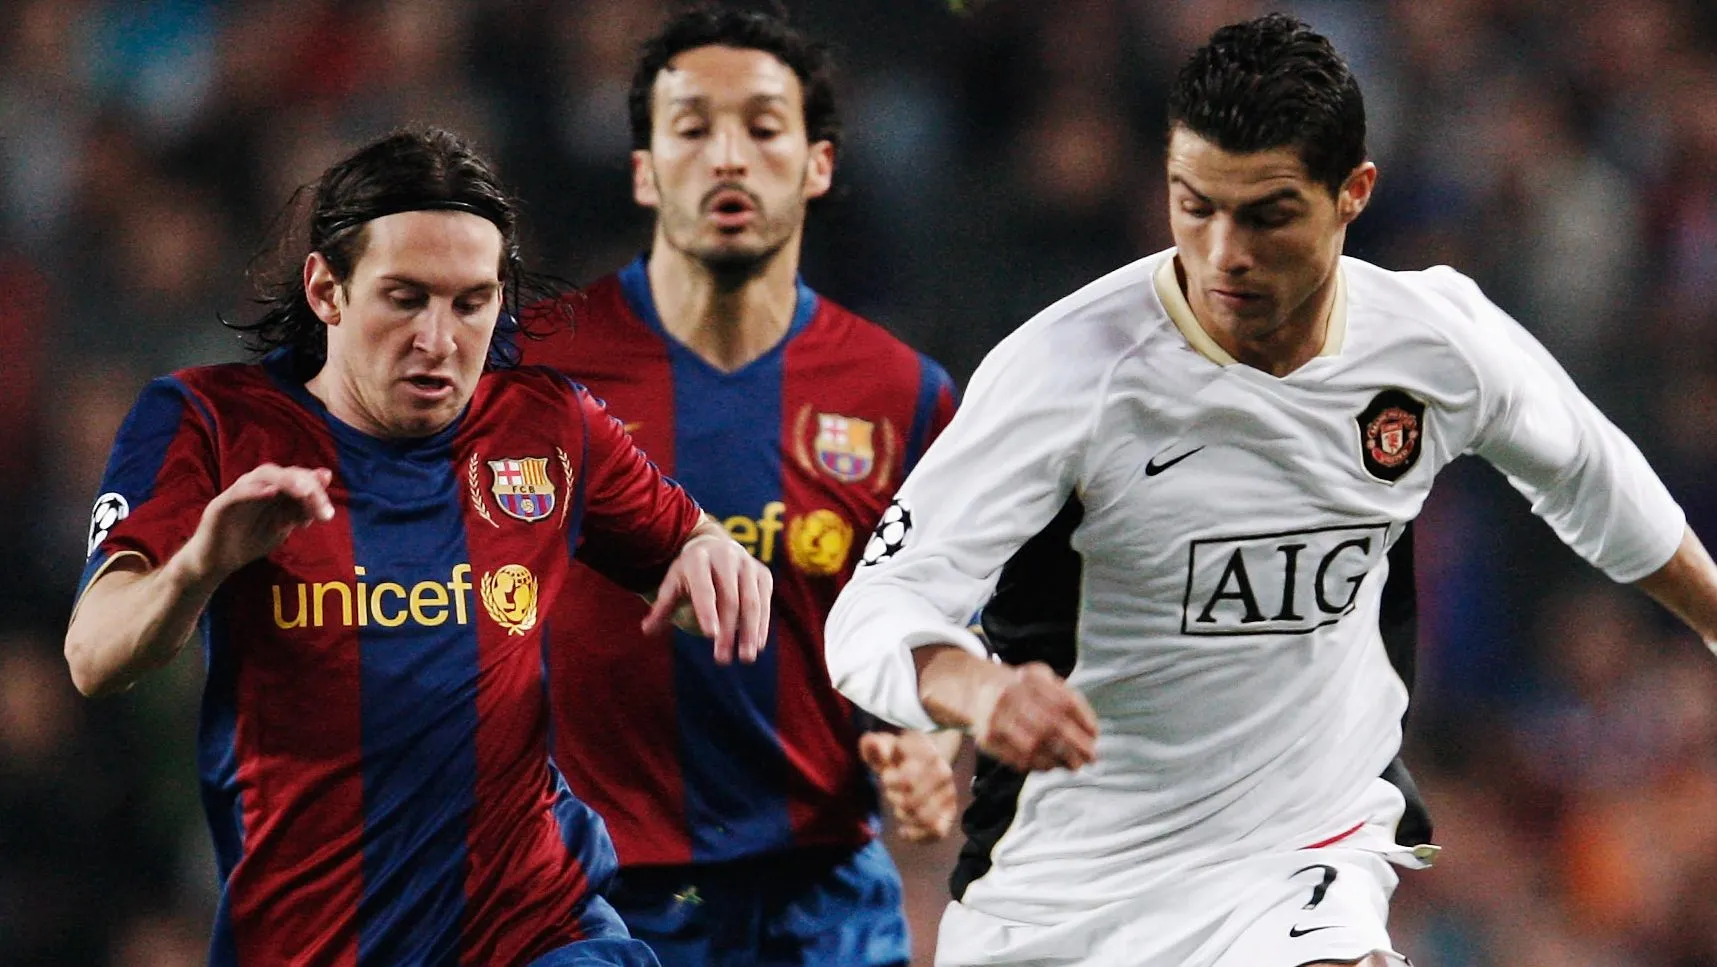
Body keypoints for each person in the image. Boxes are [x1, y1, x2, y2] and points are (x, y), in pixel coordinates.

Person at [824, 14, 1717, 967]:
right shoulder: (1064, 371)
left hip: (1299, 854)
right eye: (1194, 206)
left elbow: (1588, 472)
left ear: (1352, 195)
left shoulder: (1435, 340)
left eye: (1266, 214)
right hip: (1067, 893)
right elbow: (874, 610)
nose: (1222, 254)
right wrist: (982, 688)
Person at [62, 127, 775, 967]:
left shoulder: (548, 426)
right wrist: (201, 563)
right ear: (327, 289)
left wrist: (714, 559)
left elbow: (698, 553)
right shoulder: (210, 421)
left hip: (537, 932)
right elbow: (92, 654)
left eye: (471, 303)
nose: (439, 339)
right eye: (405, 297)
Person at [519, 7, 960, 966]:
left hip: (823, 900)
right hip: (585, 900)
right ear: (643, 169)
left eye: (762, 127)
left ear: (818, 164)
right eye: (691, 128)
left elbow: (937, 621)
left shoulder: (904, 396)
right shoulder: (525, 376)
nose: (728, 156)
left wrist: (925, 743)